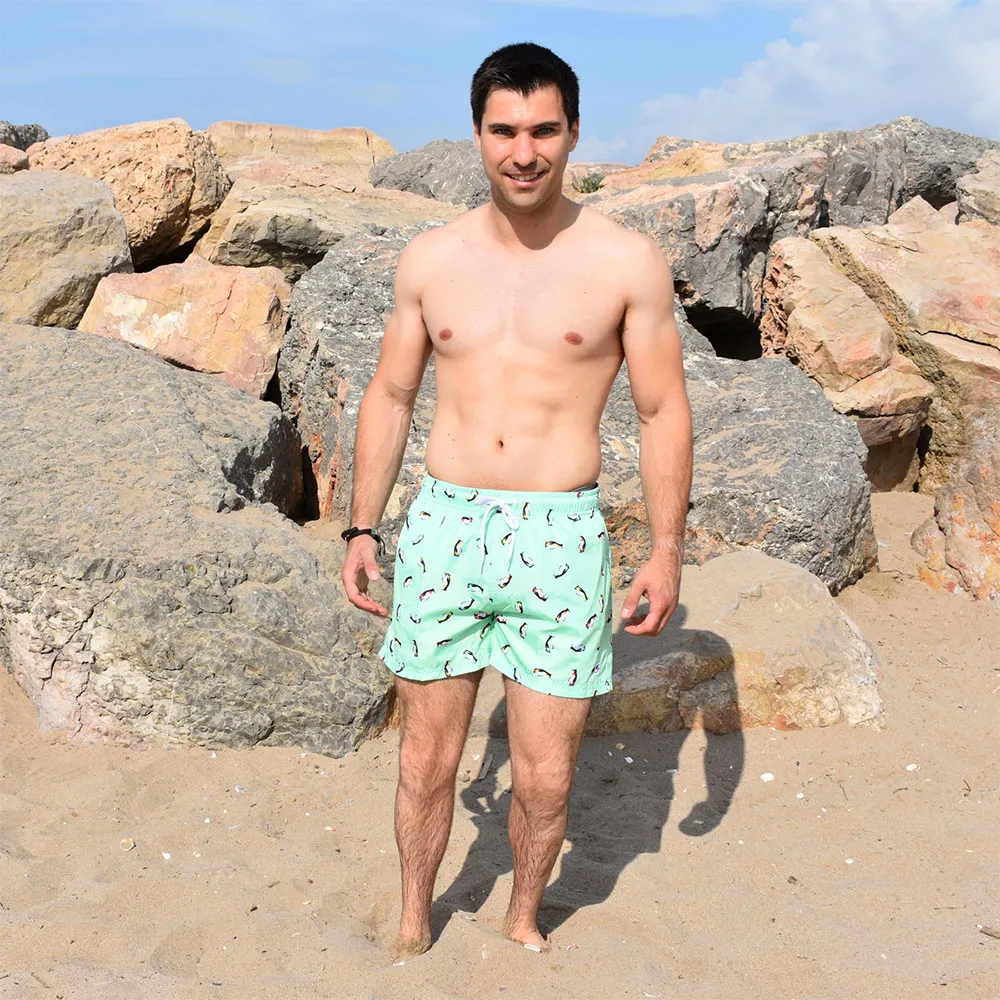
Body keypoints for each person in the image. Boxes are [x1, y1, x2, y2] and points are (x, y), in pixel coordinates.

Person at [341, 41, 692, 957]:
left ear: (573, 132)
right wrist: (361, 524)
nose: (524, 152)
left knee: (543, 776)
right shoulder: (431, 258)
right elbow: (391, 394)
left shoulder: (626, 261)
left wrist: (666, 549)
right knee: (427, 759)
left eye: (543, 130)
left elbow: (661, 410)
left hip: (560, 532)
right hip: (447, 525)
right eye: (505, 131)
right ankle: (413, 917)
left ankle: (523, 915)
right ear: (477, 135)